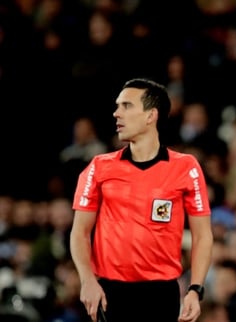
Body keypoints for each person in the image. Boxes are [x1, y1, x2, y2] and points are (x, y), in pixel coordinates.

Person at [69, 78, 214, 322]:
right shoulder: (99, 167)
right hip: (107, 293)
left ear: (151, 116)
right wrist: (87, 281)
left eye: (127, 106)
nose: (116, 113)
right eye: (117, 106)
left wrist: (195, 289)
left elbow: (203, 236)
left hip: (161, 295)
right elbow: (80, 232)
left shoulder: (185, 167)